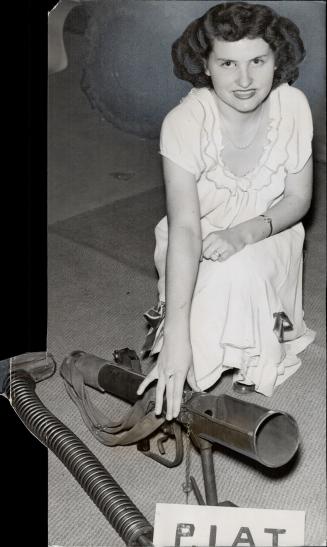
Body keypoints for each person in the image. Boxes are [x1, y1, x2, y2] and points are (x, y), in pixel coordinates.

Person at [137, 2, 315, 421]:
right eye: (228, 63)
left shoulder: (293, 106)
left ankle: (276, 336)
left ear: (277, 59)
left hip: (268, 231)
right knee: (187, 352)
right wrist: (177, 337)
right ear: (206, 64)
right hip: (196, 238)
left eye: (258, 60)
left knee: (242, 272)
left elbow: (298, 200)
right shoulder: (183, 122)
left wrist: (244, 234)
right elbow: (184, 226)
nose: (245, 79)